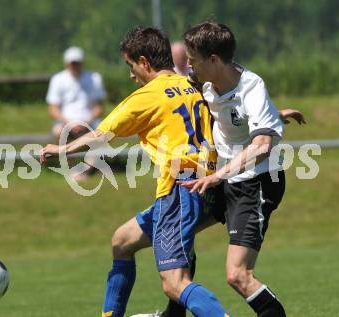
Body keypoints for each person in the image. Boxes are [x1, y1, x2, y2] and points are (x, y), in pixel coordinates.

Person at [41, 27, 234, 317]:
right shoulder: (195, 85)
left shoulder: (146, 96)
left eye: (131, 66)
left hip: (180, 191)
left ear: (144, 62)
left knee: (174, 284)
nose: (131, 75)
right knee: (122, 241)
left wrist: (60, 150)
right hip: (211, 186)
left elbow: (100, 136)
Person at [179, 21, 294, 317]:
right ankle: (172, 313)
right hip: (224, 180)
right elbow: (235, 117)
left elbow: (262, 145)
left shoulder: (251, 87)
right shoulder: (206, 81)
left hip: (254, 182)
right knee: (176, 232)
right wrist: (274, 114)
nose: (188, 65)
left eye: (193, 59)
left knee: (238, 275)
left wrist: (219, 174)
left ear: (214, 60)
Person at [46, 46, 106, 141]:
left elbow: (99, 106)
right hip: (65, 123)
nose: (75, 66)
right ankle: (64, 155)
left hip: (90, 122)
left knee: (103, 132)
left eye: (77, 63)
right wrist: (69, 123)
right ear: (66, 64)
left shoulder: (95, 78)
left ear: (82, 63)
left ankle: (94, 156)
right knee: (58, 131)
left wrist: (86, 122)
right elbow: (53, 109)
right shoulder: (58, 79)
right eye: (72, 63)